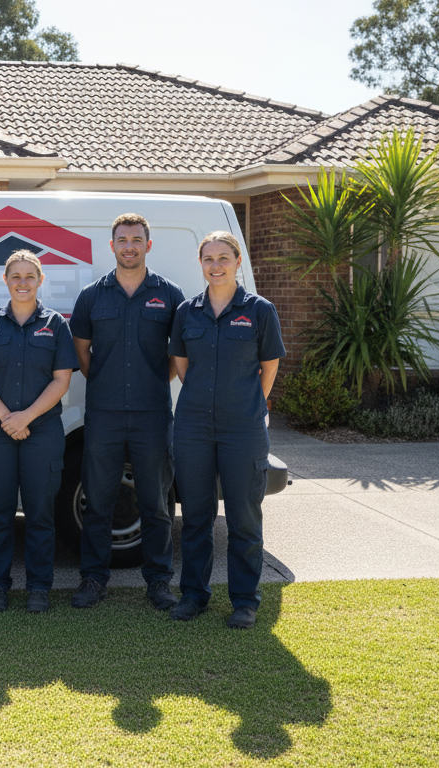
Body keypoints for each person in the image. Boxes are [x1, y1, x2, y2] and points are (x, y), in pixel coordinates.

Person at [68, 213, 186, 611]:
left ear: (148, 245)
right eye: (123, 240)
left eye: (136, 240)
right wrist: (106, 381)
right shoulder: (92, 296)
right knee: (98, 501)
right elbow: (82, 351)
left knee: (156, 503)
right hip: (104, 414)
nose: (129, 246)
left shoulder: (169, 294)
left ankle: (159, 582)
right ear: (112, 245)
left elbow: (177, 354)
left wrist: (154, 381)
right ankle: (93, 579)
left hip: (153, 414)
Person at [167, 231, 285, 627]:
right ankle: (194, 596)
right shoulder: (187, 311)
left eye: (223, 258)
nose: (215, 265)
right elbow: (182, 365)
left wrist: (248, 404)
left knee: (243, 518)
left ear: (237, 262)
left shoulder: (259, 310)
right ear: (200, 263)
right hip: (193, 428)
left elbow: (269, 365)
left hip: (242, 430)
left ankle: (245, 601)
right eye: (208, 258)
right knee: (196, 517)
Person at [0, 251, 78, 613]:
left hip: (42, 430)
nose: (22, 282)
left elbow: (61, 380)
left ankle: (39, 587)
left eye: (30, 276)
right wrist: (7, 418)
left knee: (40, 512)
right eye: (15, 276)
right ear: (5, 280)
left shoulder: (56, 324)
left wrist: (26, 417)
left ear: (40, 280)